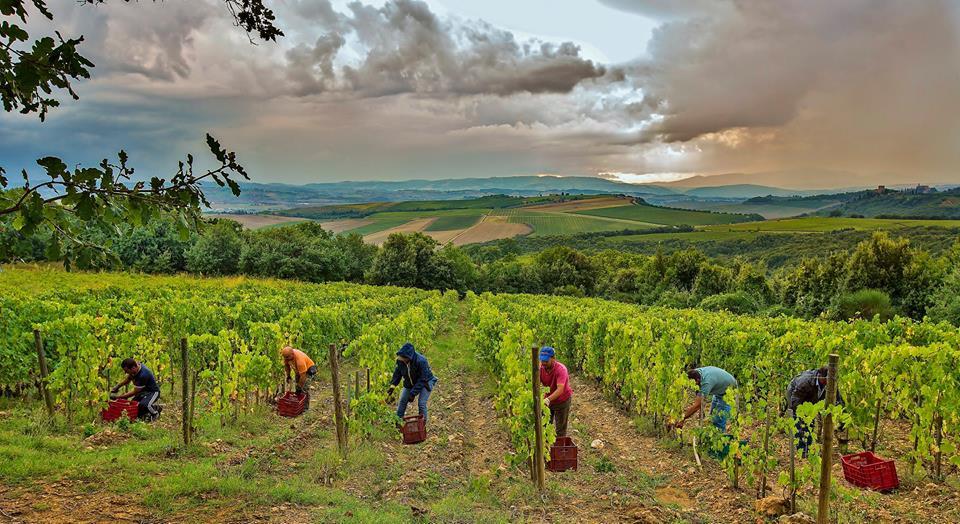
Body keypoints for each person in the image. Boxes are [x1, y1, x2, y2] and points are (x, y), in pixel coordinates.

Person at [786, 367, 845, 457]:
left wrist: (842, 418)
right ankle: (803, 451)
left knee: (810, 423)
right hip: (794, 394)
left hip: (811, 399)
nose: (830, 382)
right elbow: (796, 400)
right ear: (820, 376)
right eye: (827, 379)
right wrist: (802, 414)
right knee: (799, 423)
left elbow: (838, 400)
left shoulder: (831, 383)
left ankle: (808, 448)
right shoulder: (805, 382)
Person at [673, 366, 737, 432]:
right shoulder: (695, 373)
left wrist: (682, 418)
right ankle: (715, 437)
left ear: (697, 380)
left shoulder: (706, 383)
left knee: (718, 421)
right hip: (719, 389)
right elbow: (698, 391)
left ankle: (720, 437)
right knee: (712, 417)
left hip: (729, 391)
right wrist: (702, 409)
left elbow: (696, 405)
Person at [389, 342, 438, 424]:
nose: (402, 360)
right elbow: (397, 373)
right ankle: (397, 422)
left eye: (404, 358)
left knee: (421, 403)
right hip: (410, 382)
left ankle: (422, 424)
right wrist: (392, 386)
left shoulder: (421, 361)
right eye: (401, 358)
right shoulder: (400, 361)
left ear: (409, 357)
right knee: (402, 400)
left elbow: (423, 379)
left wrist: (412, 394)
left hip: (426, 381)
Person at [539, 347, 573, 437]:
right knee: (545, 426)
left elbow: (560, 389)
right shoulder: (540, 369)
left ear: (553, 358)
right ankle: (546, 449)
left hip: (562, 400)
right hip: (548, 400)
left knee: (560, 430)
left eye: (546, 361)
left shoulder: (561, 369)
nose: (544, 363)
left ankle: (559, 449)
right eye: (542, 360)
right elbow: (535, 384)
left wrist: (548, 399)